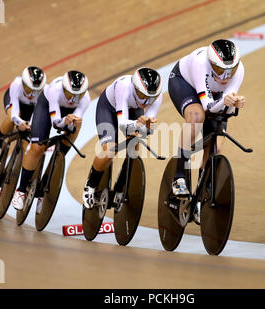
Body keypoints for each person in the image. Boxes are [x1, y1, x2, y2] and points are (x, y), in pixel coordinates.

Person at [168, 39, 246, 198]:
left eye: (230, 70)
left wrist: (233, 104)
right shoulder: (200, 63)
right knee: (197, 117)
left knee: (216, 145)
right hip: (185, 83)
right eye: (219, 69)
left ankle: (201, 190)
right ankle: (179, 176)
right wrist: (225, 101)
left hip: (214, 95)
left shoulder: (240, 70)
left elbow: (225, 109)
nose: (225, 76)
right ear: (211, 63)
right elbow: (207, 106)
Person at [82, 67, 163, 209]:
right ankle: (90, 185)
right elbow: (123, 124)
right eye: (141, 94)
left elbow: (146, 130)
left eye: (150, 98)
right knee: (110, 150)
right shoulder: (123, 87)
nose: (145, 101)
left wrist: (147, 128)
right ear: (135, 87)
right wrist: (139, 124)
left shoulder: (156, 96)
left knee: (134, 148)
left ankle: (120, 187)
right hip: (108, 108)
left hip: (132, 110)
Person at [11, 70, 91, 210]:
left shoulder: (85, 99)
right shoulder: (55, 90)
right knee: (37, 148)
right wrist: (65, 122)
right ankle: (21, 190)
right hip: (47, 106)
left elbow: (75, 121)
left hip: (67, 114)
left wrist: (71, 124)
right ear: (64, 89)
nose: (73, 98)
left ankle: (44, 187)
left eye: (78, 95)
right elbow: (55, 123)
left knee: (65, 147)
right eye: (70, 94)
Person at [0, 66, 47, 165]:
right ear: (23, 84)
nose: (32, 94)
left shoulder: (46, 92)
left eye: (37, 90)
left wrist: (30, 126)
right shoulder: (16, 84)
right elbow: (15, 113)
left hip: (31, 109)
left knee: (28, 145)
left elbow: (38, 114)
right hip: (15, 103)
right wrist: (20, 122)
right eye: (29, 89)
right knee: (11, 118)